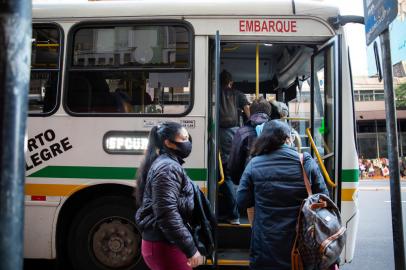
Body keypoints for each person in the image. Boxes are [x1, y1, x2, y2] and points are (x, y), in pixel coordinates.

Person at [237, 120, 329, 270]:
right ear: (287, 138)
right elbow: (324, 197)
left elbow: (241, 201)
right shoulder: (305, 161)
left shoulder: (254, 164)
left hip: (265, 247)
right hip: (301, 245)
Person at [135, 122, 205, 270]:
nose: (188, 143)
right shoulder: (168, 168)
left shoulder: (167, 164)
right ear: (168, 143)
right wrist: (191, 249)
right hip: (164, 245)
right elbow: (167, 213)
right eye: (184, 138)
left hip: (164, 242)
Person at [218, 70, 250, 225]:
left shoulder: (214, 93)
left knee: (226, 175)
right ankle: (235, 212)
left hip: (220, 134)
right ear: (230, 82)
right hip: (235, 134)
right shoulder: (238, 94)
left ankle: (233, 214)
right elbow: (248, 111)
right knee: (231, 173)